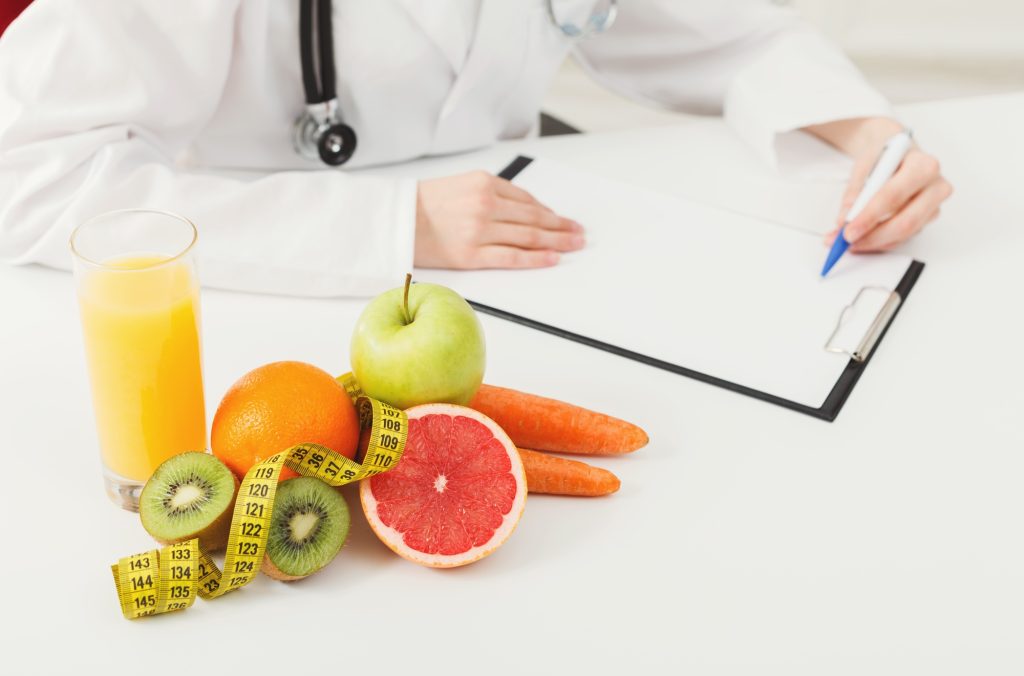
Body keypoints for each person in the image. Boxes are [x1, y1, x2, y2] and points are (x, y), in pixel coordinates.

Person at [0, 0, 951, 296]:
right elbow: (26, 176)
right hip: (272, 282)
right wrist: (389, 227)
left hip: (532, 266)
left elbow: (732, 38)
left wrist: (865, 130)